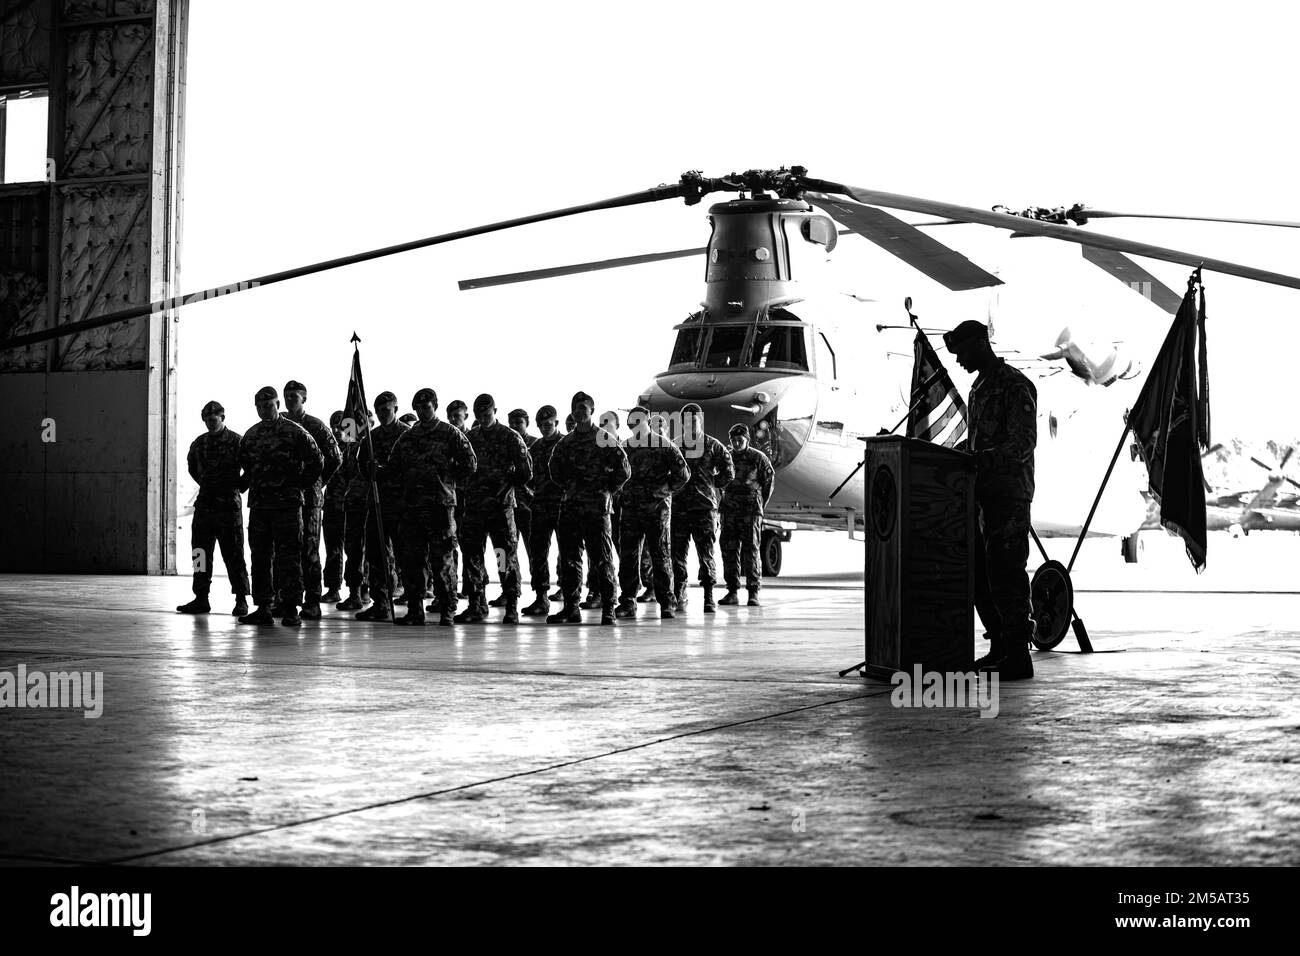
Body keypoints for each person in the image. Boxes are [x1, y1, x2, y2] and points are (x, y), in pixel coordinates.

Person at [945, 319, 1037, 681]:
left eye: (963, 352)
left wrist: (980, 459)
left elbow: (1023, 443)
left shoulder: (1015, 385)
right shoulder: (979, 388)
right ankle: (999, 647)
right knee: (981, 577)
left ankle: (1018, 655)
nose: (959, 361)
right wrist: (960, 454)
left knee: (1007, 574)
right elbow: (980, 441)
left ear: (982, 344)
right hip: (982, 494)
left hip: (1009, 494)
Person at [387, 388, 476, 626]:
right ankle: (415, 610)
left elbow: (470, 463)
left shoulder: (450, 434)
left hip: (440, 507)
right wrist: (378, 469)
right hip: (413, 508)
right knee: (412, 561)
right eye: (417, 408)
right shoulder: (408, 437)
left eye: (426, 407)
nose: (421, 411)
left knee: (443, 561)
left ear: (435, 406)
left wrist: (446, 479)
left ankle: (447, 608)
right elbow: (393, 467)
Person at [237, 386, 323, 627]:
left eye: (270, 404)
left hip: (288, 506)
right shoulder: (251, 436)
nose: (265, 409)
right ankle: (263, 606)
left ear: (277, 405)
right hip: (260, 507)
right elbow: (246, 466)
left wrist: (300, 485)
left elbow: (318, 461)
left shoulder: (294, 432)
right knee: (260, 557)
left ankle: (291, 608)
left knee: (289, 558)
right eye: (260, 406)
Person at [547, 392, 630, 625]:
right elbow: (555, 472)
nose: (579, 411)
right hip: (571, 509)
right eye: (576, 408)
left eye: (584, 407)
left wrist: (606, 490)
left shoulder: (604, 439)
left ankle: (608, 609)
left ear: (592, 411)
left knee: (602, 560)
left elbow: (624, 470)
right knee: (570, 560)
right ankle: (571, 608)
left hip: (597, 510)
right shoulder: (565, 443)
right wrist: (572, 488)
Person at [456, 394, 532, 624]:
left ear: (495, 411)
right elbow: (460, 467)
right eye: (479, 414)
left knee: (504, 557)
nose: (483, 418)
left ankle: (511, 605)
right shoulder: (469, 438)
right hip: (476, 509)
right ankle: (476, 604)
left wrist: (506, 484)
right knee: (473, 556)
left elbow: (526, 471)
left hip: (500, 508)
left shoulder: (509, 437)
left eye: (487, 414)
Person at [178, 400, 251, 616]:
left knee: (234, 554)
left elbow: (251, 468)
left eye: (214, 418)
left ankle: (241, 599)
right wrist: (207, 484)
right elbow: (192, 467)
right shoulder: (199, 443)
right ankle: (201, 597)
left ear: (222, 418)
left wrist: (238, 487)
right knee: (200, 553)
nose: (211, 422)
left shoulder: (237, 442)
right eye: (207, 419)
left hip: (228, 507)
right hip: (205, 507)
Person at [616, 406, 689, 619]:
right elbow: (616, 474)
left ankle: (667, 602)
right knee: (628, 556)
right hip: (630, 510)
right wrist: (622, 494)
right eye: (631, 425)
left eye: (637, 423)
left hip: (656, 510)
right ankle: (628, 601)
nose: (634, 428)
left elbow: (683, 474)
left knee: (660, 555)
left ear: (647, 422)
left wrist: (662, 491)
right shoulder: (625, 447)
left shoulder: (665, 446)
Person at [280, 380, 342, 619]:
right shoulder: (280, 425)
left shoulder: (315, 426)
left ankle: (312, 600)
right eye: (286, 396)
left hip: (310, 499)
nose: (289, 400)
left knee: (309, 549)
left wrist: (317, 482)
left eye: (294, 396)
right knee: (286, 550)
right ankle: (287, 599)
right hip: (286, 498)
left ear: (304, 399)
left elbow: (335, 458)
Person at [670, 403, 734, 613]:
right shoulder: (675, 446)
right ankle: (680, 592)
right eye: (686, 421)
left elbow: (729, 471)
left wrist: (711, 484)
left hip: (704, 508)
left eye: (694, 420)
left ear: (700, 421)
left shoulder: (713, 445)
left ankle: (708, 596)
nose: (690, 424)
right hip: (679, 508)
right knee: (677, 554)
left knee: (705, 553)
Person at [355, 391, 410, 621]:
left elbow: (414, 467)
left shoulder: (407, 435)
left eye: (386, 410)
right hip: (377, 504)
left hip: (402, 505)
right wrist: (371, 469)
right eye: (378, 411)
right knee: (377, 555)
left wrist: (388, 471)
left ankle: (413, 602)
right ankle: (382, 603)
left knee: (406, 555)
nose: (382, 414)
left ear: (395, 409)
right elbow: (360, 466)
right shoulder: (371, 437)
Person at [719, 423, 774, 606]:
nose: (736, 443)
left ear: (747, 440)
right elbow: (720, 480)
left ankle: (753, 592)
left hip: (750, 511)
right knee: (729, 550)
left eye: (740, 440)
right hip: (729, 511)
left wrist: (759, 505)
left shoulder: (758, 458)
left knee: (751, 551)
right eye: (733, 440)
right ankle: (732, 591)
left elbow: (768, 483)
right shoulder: (726, 458)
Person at [490, 408, 538, 609]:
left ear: (526, 423)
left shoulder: (535, 444)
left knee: (534, 553)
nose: (515, 426)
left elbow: (534, 475)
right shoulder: (504, 442)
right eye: (512, 422)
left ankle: (540, 594)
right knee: (504, 553)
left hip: (527, 508)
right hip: (506, 506)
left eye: (519, 422)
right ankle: (507, 589)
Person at [523, 405, 563, 616]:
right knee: (538, 553)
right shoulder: (535, 449)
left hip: (562, 506)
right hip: (540, 506)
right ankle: (541, 597)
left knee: (568, 553)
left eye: (549, 424)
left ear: (556, 423)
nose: (545, 428)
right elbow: (526, 477)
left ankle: (569, 596)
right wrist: (533, 495)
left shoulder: (566, 444)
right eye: (541, 425)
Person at [337, 410, 374, 611]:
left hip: (370, 504)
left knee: (372, 551)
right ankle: (354, 592)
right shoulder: (349, 447)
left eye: (362, 422)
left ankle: (368, 590)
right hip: (352, 504)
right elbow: (342, 473)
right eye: (355, 422)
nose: (357, 426)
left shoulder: (374, 444)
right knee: (352, 550)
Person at [321, 410, 348, 604]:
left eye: (341, 426)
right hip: (331, 505)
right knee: (332, 550)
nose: (337, 430)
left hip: (352, 506)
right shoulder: (328, 449)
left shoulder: (358, 448)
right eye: (334, 427)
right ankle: (333, 588)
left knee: (357, 551)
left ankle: (361, 589)